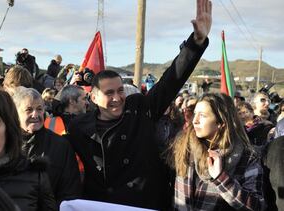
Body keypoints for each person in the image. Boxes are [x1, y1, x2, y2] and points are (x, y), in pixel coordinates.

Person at [66, 0, 212, 209]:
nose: (117, 97)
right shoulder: (78, 128)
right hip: (102, 206)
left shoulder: (140, 109)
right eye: (109, 93)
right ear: (94, 98)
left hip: (144, 204)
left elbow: (171, 81)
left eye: (119, 90)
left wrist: (196, 43)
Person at [169, 93, 265, 210]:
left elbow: (257, 207)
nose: (195, 120)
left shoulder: (247, 157)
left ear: (221, 122)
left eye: (202, 116)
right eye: (195, 114)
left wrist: (222, 179)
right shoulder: (183, 146)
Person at [12, 87, 81, 205]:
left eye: (39, 109)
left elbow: (70, 193)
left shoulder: (61, 146)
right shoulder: (3, 143)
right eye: (29, 109)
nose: (35, 115)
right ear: (15, 113)